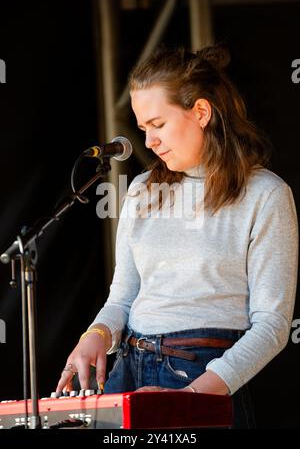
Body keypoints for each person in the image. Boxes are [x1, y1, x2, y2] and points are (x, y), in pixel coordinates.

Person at [56, 45, 298, 428]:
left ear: (201, 112)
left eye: (158, 124)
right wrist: (97, 335)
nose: (148, 142)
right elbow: (122, 295)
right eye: (143, 129)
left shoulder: (266, 194)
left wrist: (191, 398)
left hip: (203, 377)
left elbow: (272, 325)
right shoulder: (140, 189)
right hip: (128, 372)